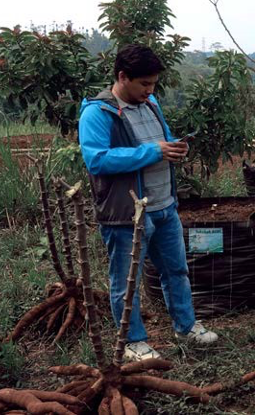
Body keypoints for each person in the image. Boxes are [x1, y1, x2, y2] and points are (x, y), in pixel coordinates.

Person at [79, 44, 217, 362]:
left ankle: (186, 326)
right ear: (123, 76)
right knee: (127, 280)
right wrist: (154, 152)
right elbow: (97, 160)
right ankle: (132, 341)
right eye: (144, 84)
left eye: (153, 84)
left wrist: (175, 148)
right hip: (128, 214)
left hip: (164, 206)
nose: (150, 90)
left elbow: (162, 140)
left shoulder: (151, 104)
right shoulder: (97, 113)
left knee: (176, 270)